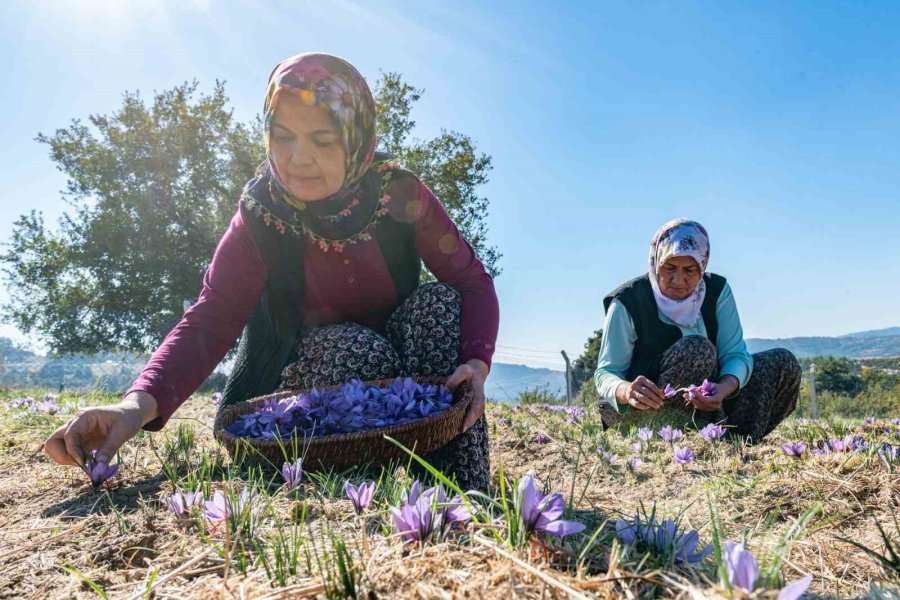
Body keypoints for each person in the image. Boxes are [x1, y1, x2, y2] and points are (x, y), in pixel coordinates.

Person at [43, 53, 499, 491]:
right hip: (302, 378)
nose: (298, 158)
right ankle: (346, 491)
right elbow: (211, 317)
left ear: (357, 137)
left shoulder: (400, 193)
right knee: (358, 350)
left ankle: (456, 494)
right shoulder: (262, 215)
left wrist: (476, 364)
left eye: (322, 140)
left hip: (402, 369)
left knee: (439, 305)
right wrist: (133, 407)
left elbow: (473, 282)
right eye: (283, 136)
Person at [594, 218, 800, 440]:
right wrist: (626, 391)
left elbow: (735, 355)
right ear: (655, 262)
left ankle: (734, 442)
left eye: (690, 270)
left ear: (703, 266)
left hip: (710, 407)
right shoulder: (629, 301)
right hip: (643, 412)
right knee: (697, 349)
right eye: (669, 268)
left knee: (783, 363)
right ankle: (666, 438)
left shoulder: (716, 292)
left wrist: (722, 389)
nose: (678, 280)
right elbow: (606, 372)